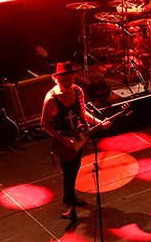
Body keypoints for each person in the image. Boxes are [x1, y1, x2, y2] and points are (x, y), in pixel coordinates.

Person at [41, 62, 111, 221]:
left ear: (73, 77)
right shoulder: (51, 98)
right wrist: (62, 139)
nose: (66, 83)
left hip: (78, 137)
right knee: (68, 171)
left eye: (68, 79)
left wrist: (98, 122)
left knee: (75, 167)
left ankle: (69, 197)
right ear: (56, 79)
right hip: (63, 141)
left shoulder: (78, 91)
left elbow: (82, 113)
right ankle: (70, 200)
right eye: (62, 80)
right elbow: (44, 124)